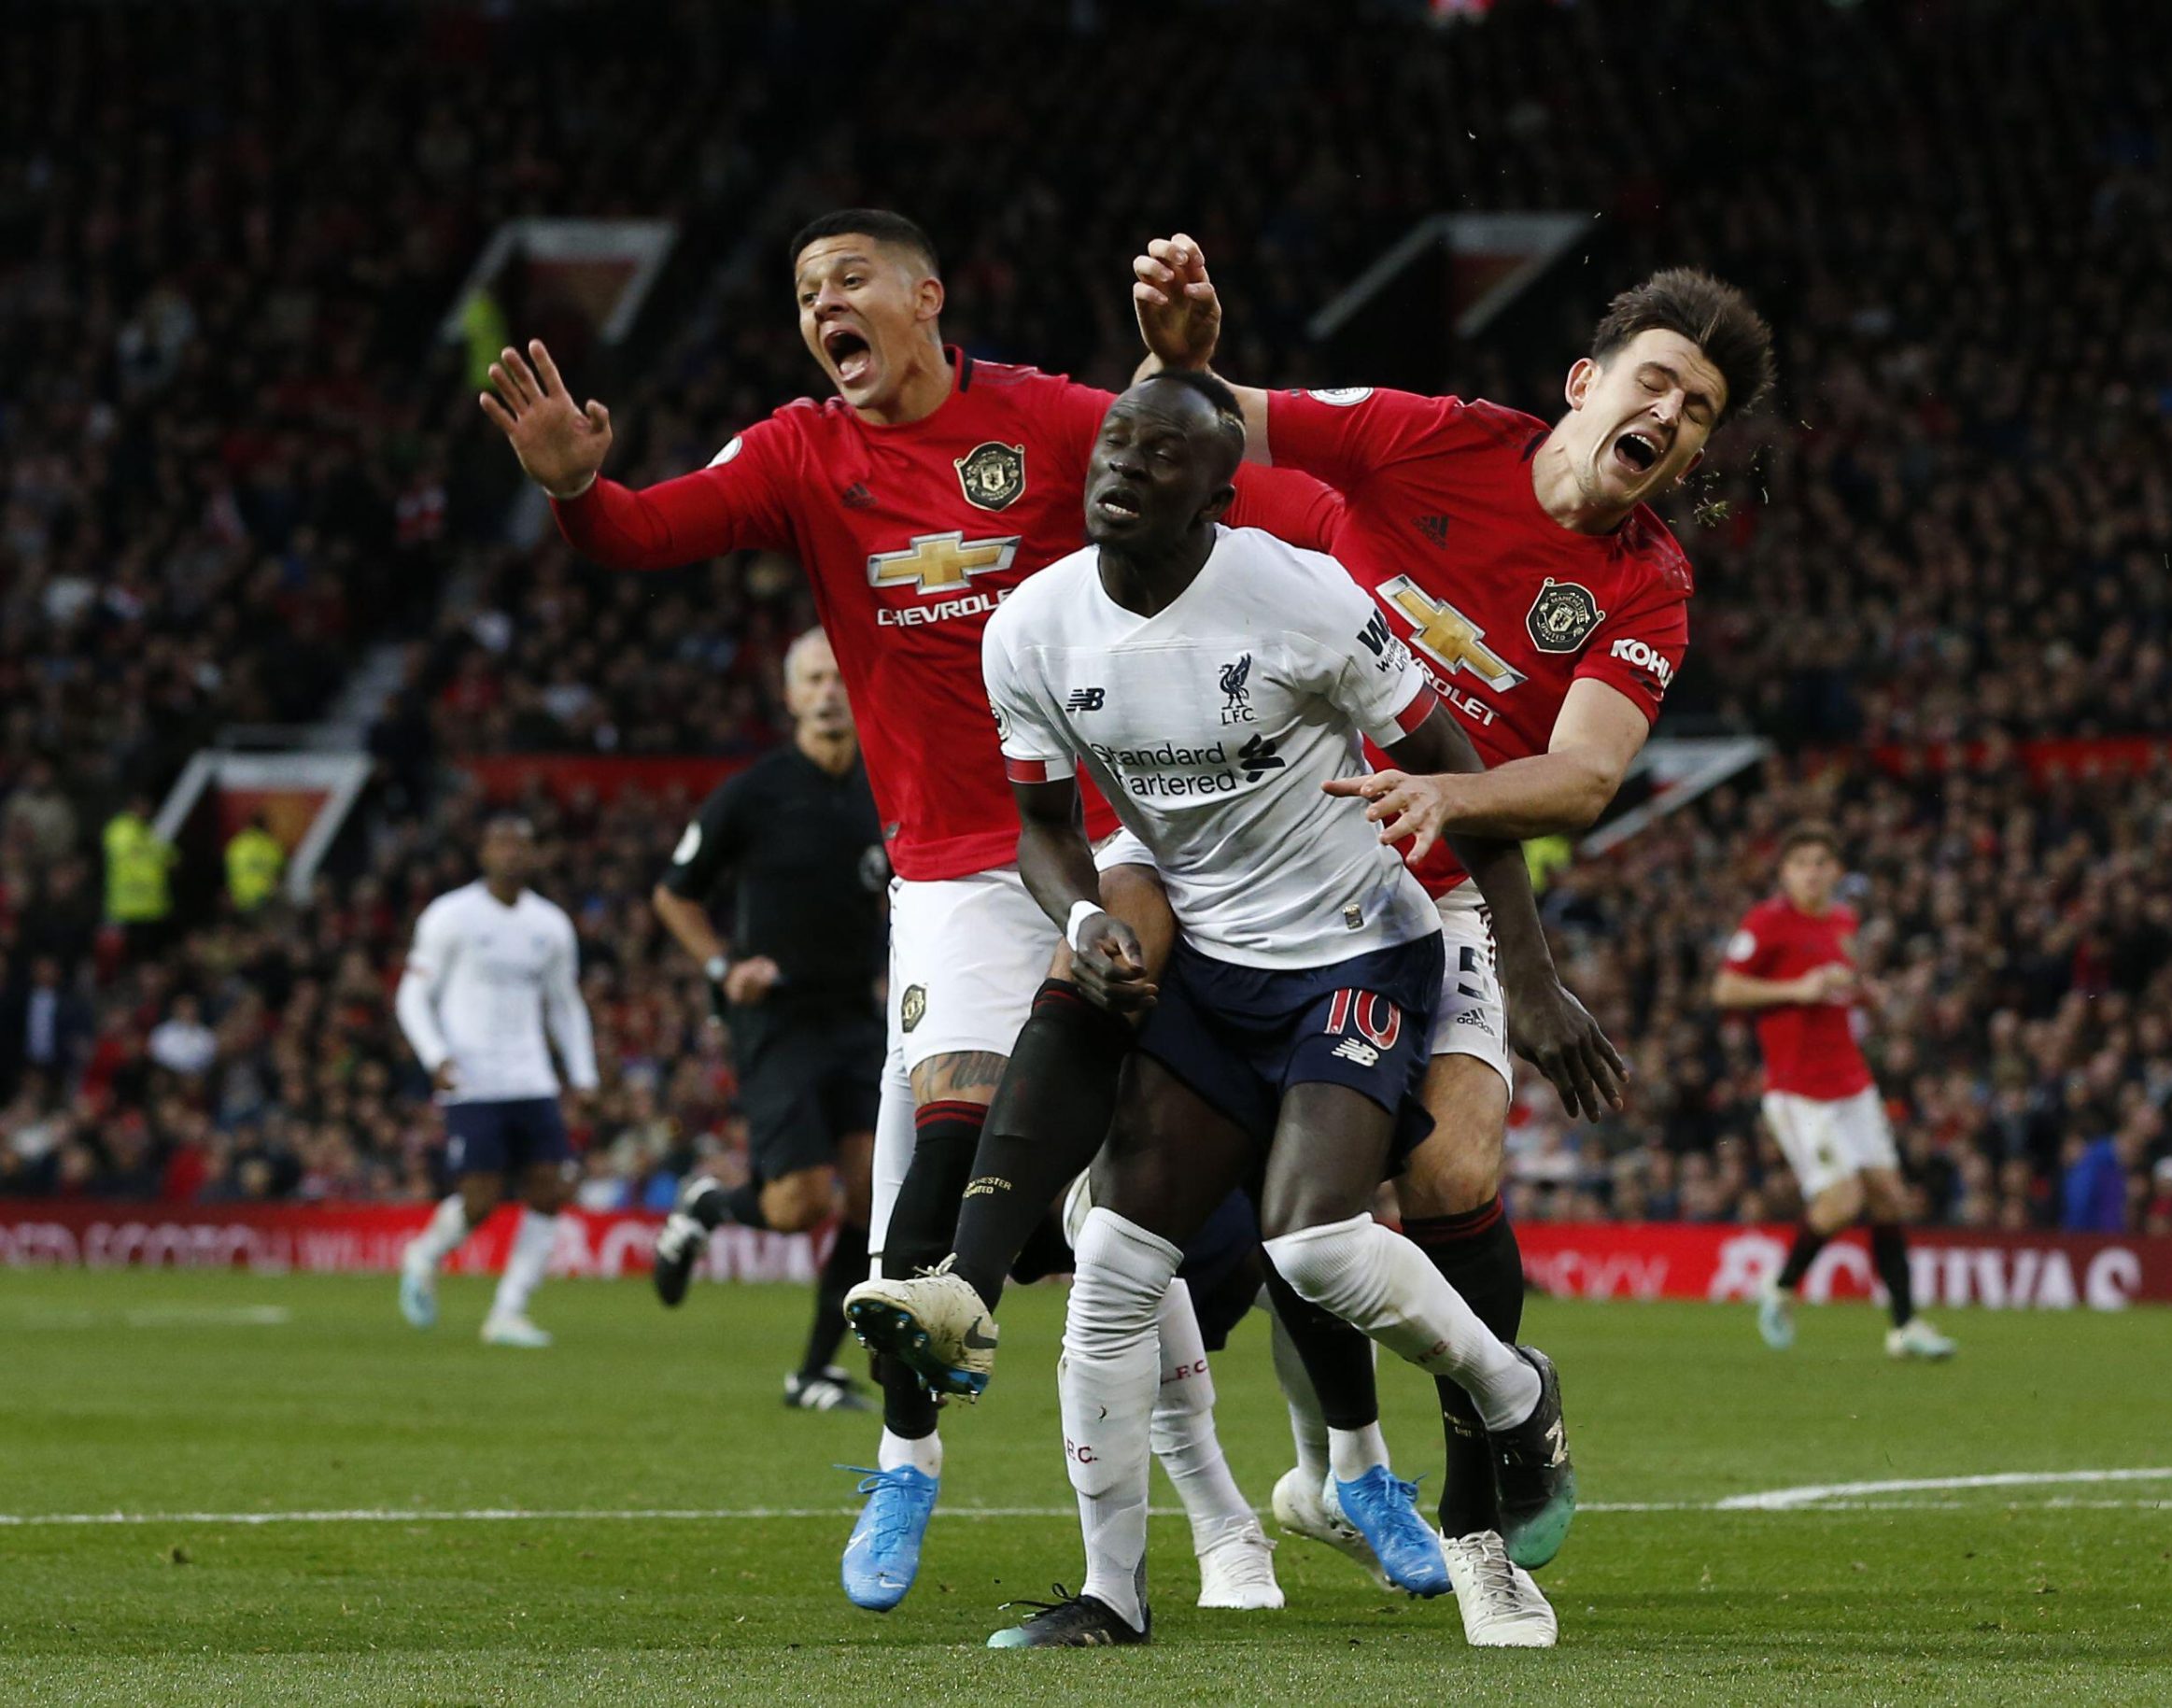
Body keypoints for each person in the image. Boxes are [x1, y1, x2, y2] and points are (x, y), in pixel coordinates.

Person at [868, 240, 1771, 1644]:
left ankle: (1479, 1509)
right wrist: (1185, 346)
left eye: (1702, 411)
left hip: (1431, 884)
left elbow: (1583, 780)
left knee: (1446, 1167)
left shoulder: (1644, 584)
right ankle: (1008, 1315)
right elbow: (1216, 421)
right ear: (1588, 384)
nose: (1674, 418)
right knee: (1129, 1027)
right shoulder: (1438, 439)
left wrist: (1497, 901)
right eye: (1659, 381)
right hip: (1249, 827)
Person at [477, 207, 1316, 1613]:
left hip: (1107, 839)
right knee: (950, 1127)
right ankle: (910, 1464)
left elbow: (1198, 472)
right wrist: (577, 493)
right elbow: (641, 533)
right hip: (947, 865)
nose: (823, 306)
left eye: (848, 279)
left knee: (1129, 1207)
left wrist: (1184, 369)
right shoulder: (804, 450)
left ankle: (1230, 1515)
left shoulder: (1047, 420)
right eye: (805, 291)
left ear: (927, 296)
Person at [974, 373, 1601, 1649]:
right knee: (1110, 1265)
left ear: (1218, 493)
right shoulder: (1029, 626)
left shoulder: (1306, 597)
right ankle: (1111, 1592)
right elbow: (1042, 828)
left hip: (1358, 951)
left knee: (1311, 1246)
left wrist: (1529, 977)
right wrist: (1084, 920)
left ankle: (1504, 1384)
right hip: (1209, 964)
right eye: (1113, 442)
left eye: (1161, 453)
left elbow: (1457, 775)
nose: (1124, 465)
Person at [645, 629, 883, 1413]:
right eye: (813, 679)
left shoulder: (884, 786)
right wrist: (722, 966)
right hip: (776, 1020)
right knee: (797, 1206)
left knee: (871, 1193)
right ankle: (708, 1205)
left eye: (839, 678)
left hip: (857, 1012)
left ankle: (813, 1369)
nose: (827, 692)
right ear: (789, 697)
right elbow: (675, 892)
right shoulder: (753, 793)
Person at [1712, 823, 1954, 1359]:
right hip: (1799, 1091)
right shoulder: (1767, 923)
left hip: (1852, 1081)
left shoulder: (1844, 921)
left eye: (1822, 863)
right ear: (1785, 873)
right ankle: (1779, 1290)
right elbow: (1725, 988)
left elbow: (1841, 986)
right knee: (1842, 1201)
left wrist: (1866, 993)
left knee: (1890, 1196)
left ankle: (1905, 1326)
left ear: (1837, 872)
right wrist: (1795, 989)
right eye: (1802, 864)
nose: (1813, 873)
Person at [394, 815, 599, 1348]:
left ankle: (508, 1312)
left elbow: (565, 1003)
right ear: (482, 851)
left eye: (522, 845)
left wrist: (583, 1074)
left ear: (535, 856)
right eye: (501, 842)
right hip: (472, 1076)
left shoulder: (549, 924)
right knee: (481, 1200)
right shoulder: (452, 915)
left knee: (549, 1191)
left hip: (531, 1077)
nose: (512, 853)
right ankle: (424, 1255)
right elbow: (412, 995)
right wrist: (434, 1054)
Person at [103, 793, 176, 961]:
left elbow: (171, 858)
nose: (148, 810)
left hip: (153, 905)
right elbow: (132, 858)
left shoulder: (150, 830)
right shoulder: (119, 829)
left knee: (150, 957)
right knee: (125, 957)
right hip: (126, 906)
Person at [224, 812, 285, 912]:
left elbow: (228, 871)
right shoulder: (272, 846)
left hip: (239, 899)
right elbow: (281, 873)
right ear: (266, 825)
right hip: (264, 899)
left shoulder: (236, 844)